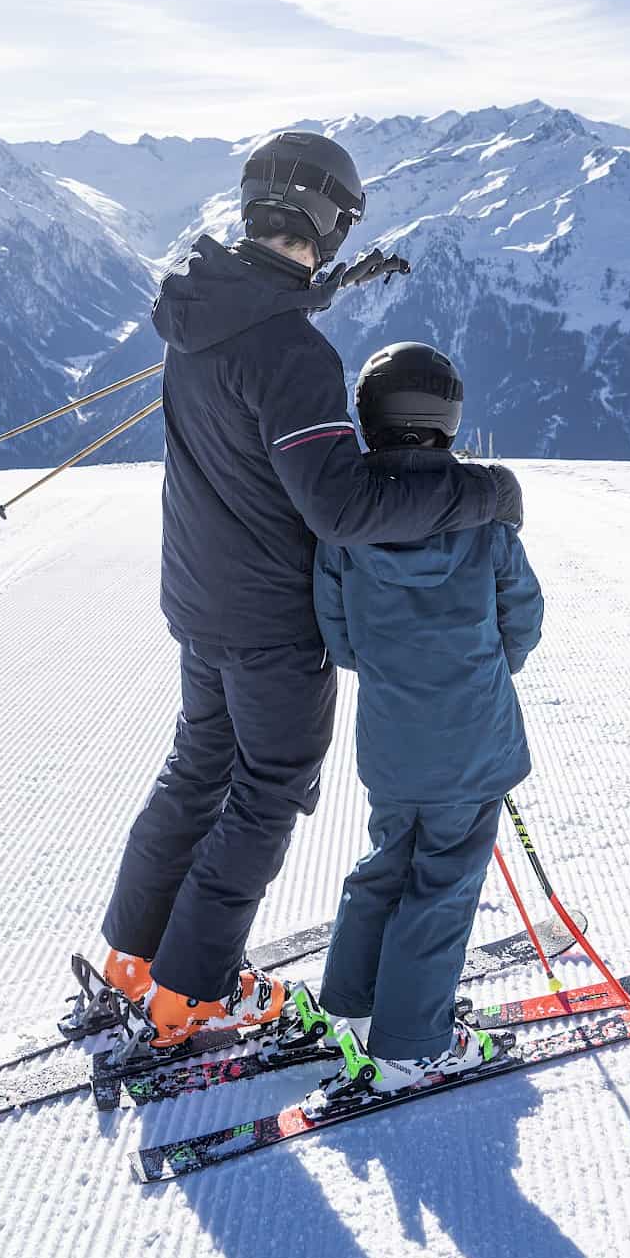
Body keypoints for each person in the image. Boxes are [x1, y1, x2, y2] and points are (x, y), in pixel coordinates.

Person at [101, 133, 525, 1048]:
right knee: (266, 789)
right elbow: (341, 506)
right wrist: (482, 491)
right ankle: (196, 992)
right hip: (266, 617)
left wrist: (323, 294)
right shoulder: (293, 355)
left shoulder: (203, 313)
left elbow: (262, 332)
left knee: (198, 769)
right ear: (330, 223)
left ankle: (134, 959)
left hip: (200, 597)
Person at [312, 340, 544, 1094]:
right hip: (472, 739)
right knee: (442, 885)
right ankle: (412, 1044)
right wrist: (477, 671)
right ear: (449, 420)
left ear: (370, 420)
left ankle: (351, 1005)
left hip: (393, 741)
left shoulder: (344, 528)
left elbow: (339, 637)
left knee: (386, 865)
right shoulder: (484, 521)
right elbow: (523, 618)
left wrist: (397, 669)